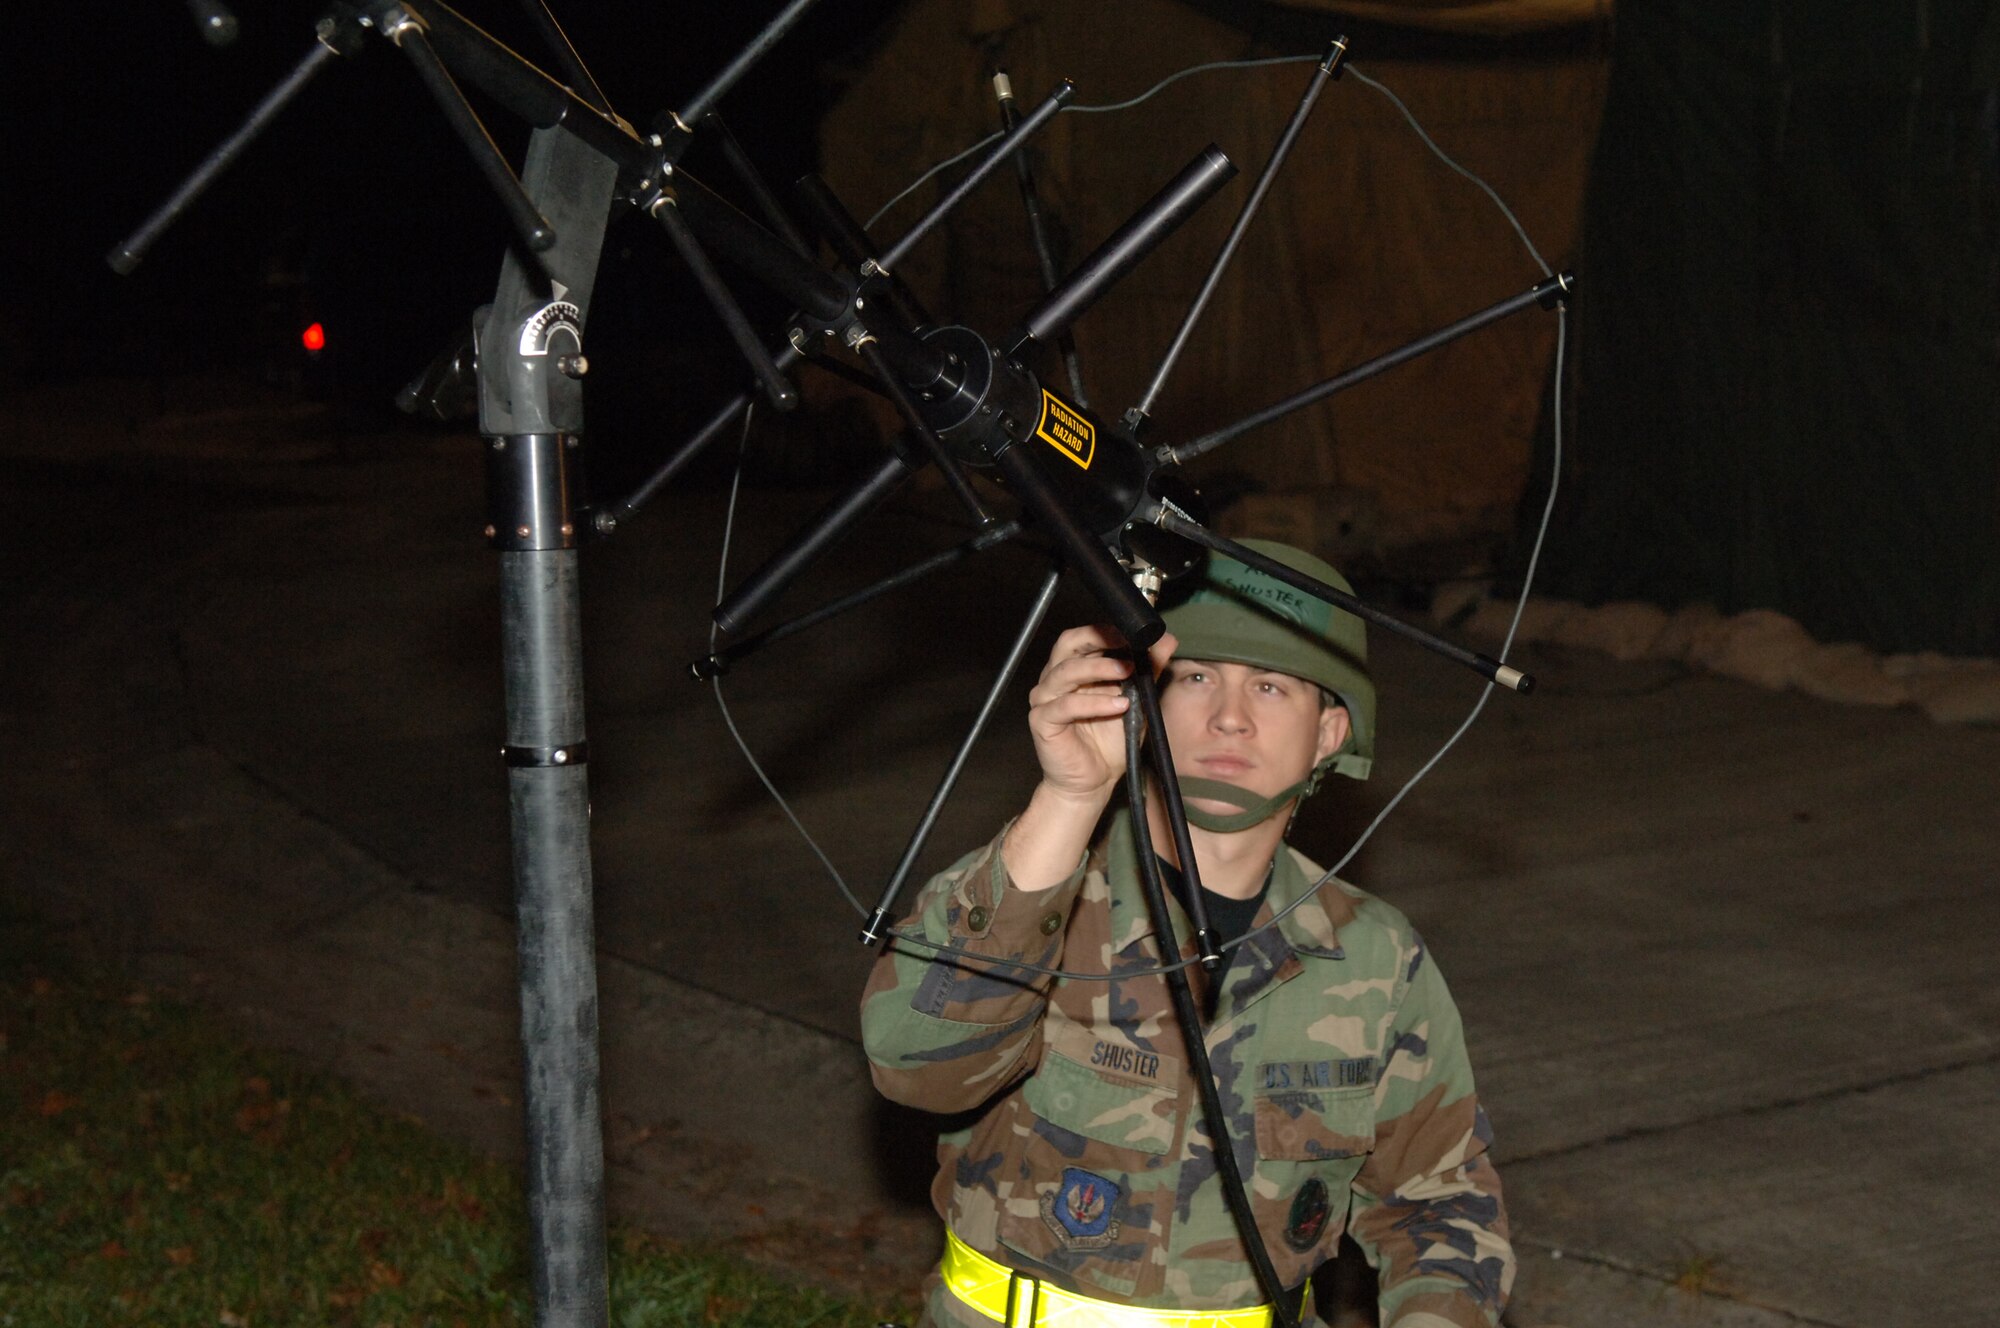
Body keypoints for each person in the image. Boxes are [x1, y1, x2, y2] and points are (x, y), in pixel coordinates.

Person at [861, 541, 1512, 1328]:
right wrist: (1068, 799)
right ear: (1139, 702)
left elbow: (1439, 1206)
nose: (1229, 716)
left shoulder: (1374, 959)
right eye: (1196, 676)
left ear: (1330, 732)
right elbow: (913, 1067)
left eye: (1270, 687)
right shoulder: (1041, 892)